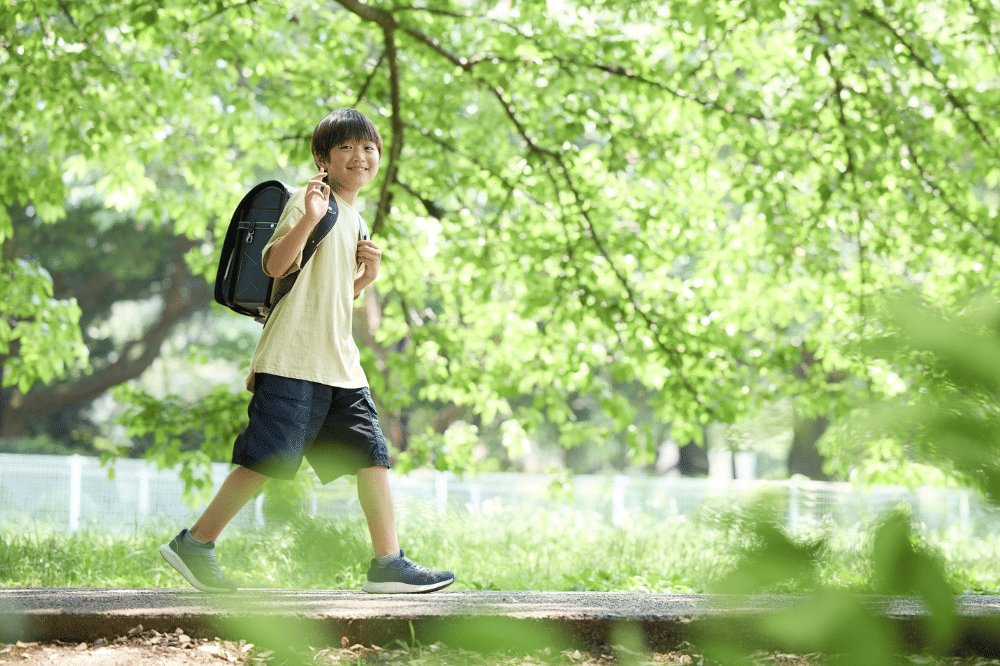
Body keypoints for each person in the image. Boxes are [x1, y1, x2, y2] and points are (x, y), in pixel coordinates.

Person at [159, 108, 455, 594]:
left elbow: (332, 292)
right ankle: (196, 543)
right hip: (294, 357)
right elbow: (276, 265)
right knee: (268, 457)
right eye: (347, 148)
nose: (360, 156)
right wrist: (310, 218)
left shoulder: (356, 218)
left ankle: (388, 563)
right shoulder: (308, 201)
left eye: (368, 148)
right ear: (323, 159)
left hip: (339, 363)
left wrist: (366, 278)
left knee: (373, 456)